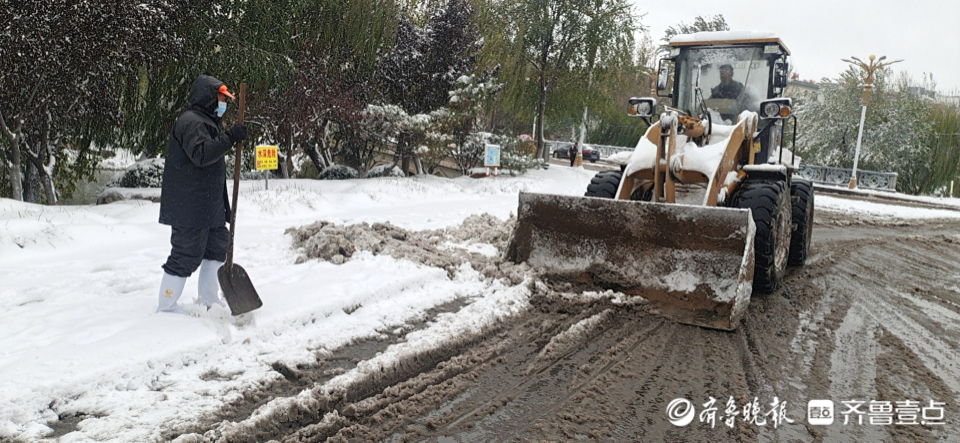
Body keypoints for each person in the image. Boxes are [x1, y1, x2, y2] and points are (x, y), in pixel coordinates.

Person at [156, 74, 247, 314]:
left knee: (218, 246)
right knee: (186, 254)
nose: (223, 103)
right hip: (190, 205)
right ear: (208, 97)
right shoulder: (192, 122)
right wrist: (230, 137)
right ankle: (166, 306)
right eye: (221, 98)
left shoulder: (206, 121)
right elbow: (202, 155)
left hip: (208, 204)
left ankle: (209, 299)